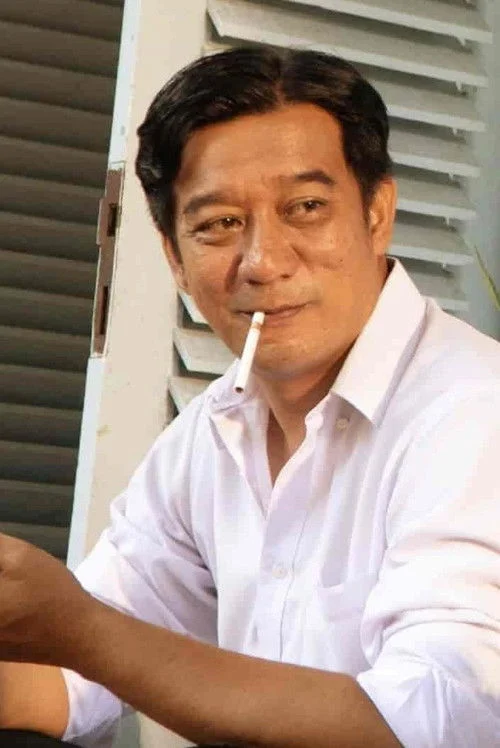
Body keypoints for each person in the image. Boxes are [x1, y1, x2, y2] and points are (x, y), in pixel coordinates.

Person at [0, 46, 499, 748]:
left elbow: (438, 721)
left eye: (306, 208)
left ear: (377, 214)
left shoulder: (474, 412)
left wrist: (82, 631)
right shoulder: (212, 434)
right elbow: (71, 680)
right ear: (175, 259)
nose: (263, 262)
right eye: (219, 225)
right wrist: (60, 631)